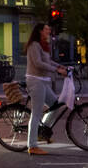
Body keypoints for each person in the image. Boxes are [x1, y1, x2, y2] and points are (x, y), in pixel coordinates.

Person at [25, 23, 67, 155]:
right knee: (36, 113)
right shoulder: (34, 45)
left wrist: (61, 66)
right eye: (46, 29)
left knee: (56, 105)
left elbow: (47, 61)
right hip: (35, 81)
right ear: (40, 31)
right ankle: (32, 146)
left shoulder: (43, 45)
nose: (49, 31)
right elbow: (38, 63)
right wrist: (56, 70)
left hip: (43, 81)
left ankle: (42, 132)